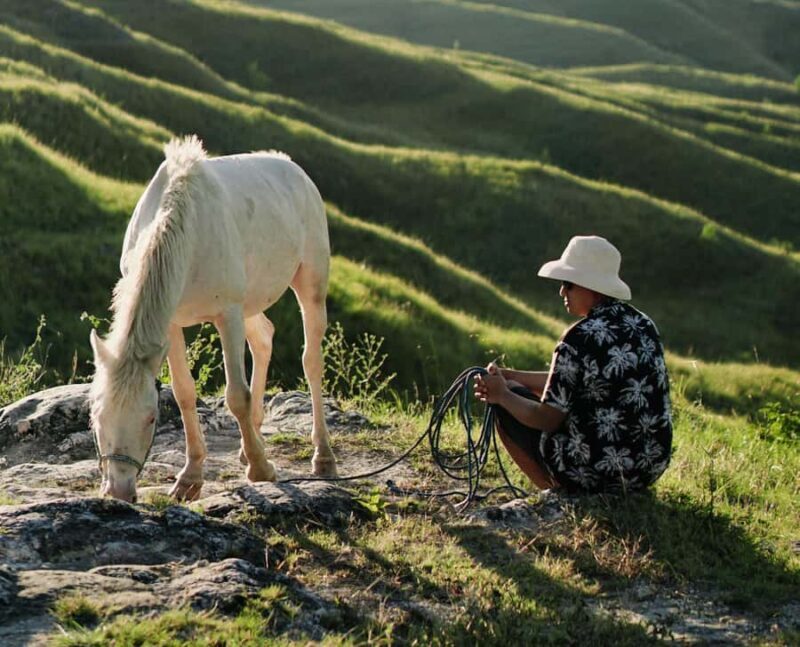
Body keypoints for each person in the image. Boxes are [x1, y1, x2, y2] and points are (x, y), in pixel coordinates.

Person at [474, 235, 672, 494]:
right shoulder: (643, 324)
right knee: (513, 388)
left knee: (507, 408)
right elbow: (576, 381)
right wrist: (513, 377)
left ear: (589, 287)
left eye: (568, 285)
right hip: (646, 468)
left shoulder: (579, 337)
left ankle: (559, 491)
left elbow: (547, 419)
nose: (562, 292)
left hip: (597, 472)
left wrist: (501, 395)